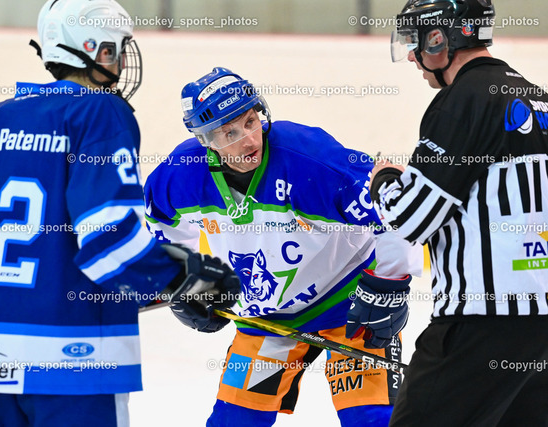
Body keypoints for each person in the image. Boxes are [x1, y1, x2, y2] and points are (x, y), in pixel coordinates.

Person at [0, 1, 239, 426]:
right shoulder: (100, 111)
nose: (118, 60)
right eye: (115, 48)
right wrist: (184, 279)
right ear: (96, 50)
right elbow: (107, 237)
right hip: (73, 363)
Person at [144, 67, 423, 426]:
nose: (248, 139)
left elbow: (394, 209)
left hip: (349, 309)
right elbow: (161, 226)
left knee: (372, 420)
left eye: (250, 121)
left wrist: (388, 287)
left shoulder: (311, 159)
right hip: (266, 320)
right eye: (229, 132)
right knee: (234, 421)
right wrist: (185, 281)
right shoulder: (180, 175)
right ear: (205, 140)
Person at [372, 0, 548, 425]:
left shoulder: (464, 100)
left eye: (416, 42)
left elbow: (412, 218)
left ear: (442, 38)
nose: (413, 56)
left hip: (481, 323)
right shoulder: (538, 99)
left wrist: (384, 181)